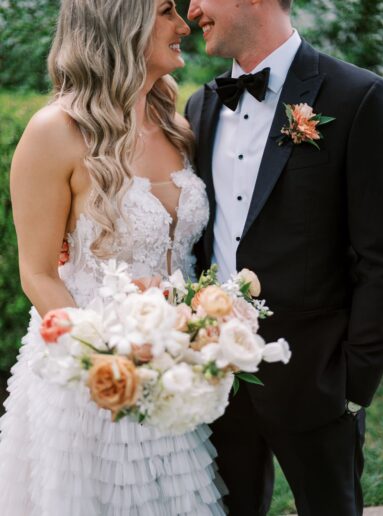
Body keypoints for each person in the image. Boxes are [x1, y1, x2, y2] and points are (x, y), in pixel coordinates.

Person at [0, 1, 226, 514]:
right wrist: (107, 363)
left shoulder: (176, 124)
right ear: (121, 24)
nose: (182, 26)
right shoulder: (53, 132)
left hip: (178, 368)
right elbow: (37, 273)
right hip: (92, 378)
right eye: (167, 11)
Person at [185, 0, 383, 515]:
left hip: (318, 383)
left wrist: (354, 385)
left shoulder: (357, 96)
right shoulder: (200, 105)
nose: (192, 9)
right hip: (217, 384)